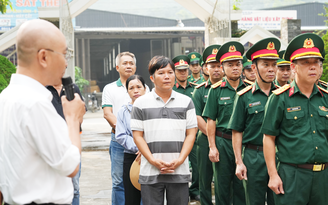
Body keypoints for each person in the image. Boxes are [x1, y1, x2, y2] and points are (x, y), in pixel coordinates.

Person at [0, 19, 85, 204]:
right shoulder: (35, 103)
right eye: (64, 54)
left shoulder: (6, 96)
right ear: (44, 57)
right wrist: (72, 118)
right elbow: (70, 165)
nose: (65, 63)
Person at [261, 33, 328, 205]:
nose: (312, 67)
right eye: (306, 62)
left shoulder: (325, 98)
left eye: (316, 63)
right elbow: (269, 138)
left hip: (323, 176)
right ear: (293, 67)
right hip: (292, 175)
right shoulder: (279, 98)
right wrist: (273, 174)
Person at [131, 56, 198, 205]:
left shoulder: (186, 102)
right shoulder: (140, 103)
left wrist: (180, 160)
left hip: (179, 171)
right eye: (161, 73)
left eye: (170, 72)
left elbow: (191, 134)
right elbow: (138, 136)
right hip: (150, 171)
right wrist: (153, 160)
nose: (167, 76)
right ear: (152, 78)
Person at [227, 38, 281, 205]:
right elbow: (237, 131)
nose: (271, 69)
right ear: (254, 68)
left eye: (274, 65)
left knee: (279, 200)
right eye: (266, 65)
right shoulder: (243, 97)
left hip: (279, 156)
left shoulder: (282, 95)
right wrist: (239, 162)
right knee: (254, 200)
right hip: (254, 156)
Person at [202, 42, 246, 205]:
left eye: (238, 64)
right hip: (223, 142)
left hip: (244, 143)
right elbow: (210, 121)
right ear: (222, 67)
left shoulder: (249, 89)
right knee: (222, 185)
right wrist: (212, 147)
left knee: (242, 186)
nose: (235, 68)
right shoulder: (216, 90)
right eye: (230, 65)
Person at [102, 52, 148, 205]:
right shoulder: (110, 88)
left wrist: (143, 145)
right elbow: (108, 114)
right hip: (119, 140)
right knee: (119, 181)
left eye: (131, 63)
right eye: (124, 63)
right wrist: (132, 138)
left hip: (146, 145)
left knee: (142, 181)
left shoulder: (146, 88)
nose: (128, 66)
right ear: (117, 67)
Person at [192, 44, 224, 205]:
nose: (217, 69)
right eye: (213, 66)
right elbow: (197, 117)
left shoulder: (230, 90)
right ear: (205, 68)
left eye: (219, 66)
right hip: (204, 140)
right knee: (205, 178)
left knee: (223, 179)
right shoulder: (199, 91)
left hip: (226, 140)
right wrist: (213, 136)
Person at [46, 83, 85, 205]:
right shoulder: (43, 90)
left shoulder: (72, 88)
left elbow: (80, 114)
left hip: (72, 141)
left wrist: (74, 122)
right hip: (50, 145)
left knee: (75, 188)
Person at [115, 75, 147, 205]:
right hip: (132, 156)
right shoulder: (123, 111)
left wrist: (146, 149)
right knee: (131, 196)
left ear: (145, 89)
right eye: (131, 88)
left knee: (151, 196)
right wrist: (140, 147)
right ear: (127, 91)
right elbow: (121, 135)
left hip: (153, 155)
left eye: (139, 87)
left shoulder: (153, 109)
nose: (135, 90)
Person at [172, 55, 199, 201]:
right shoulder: (169, 89)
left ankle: (194, 189)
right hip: (175, 133)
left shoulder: (196, 89)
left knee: (196, 163)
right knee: (177, 162)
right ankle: (178, 189)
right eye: (179, 70)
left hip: (192, 133)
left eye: (184, 70)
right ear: (175, 71)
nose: (182, 73)